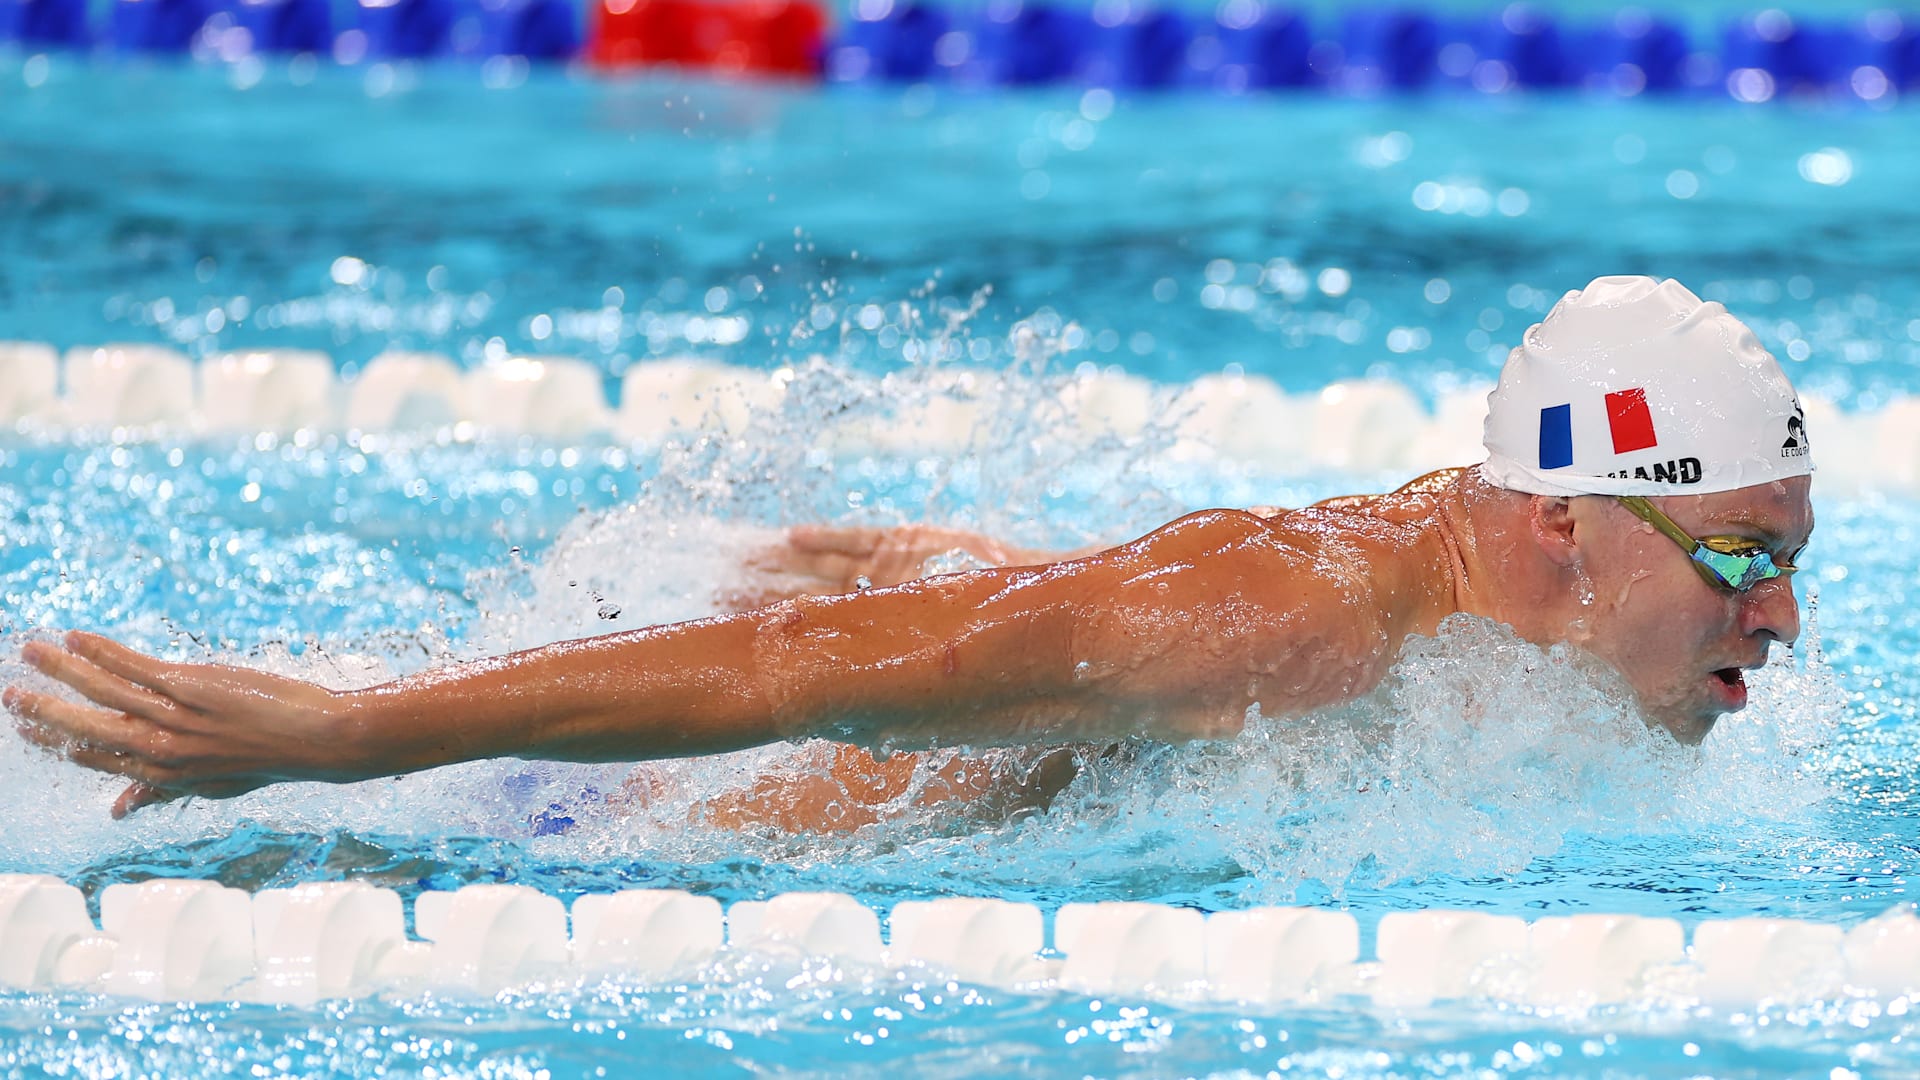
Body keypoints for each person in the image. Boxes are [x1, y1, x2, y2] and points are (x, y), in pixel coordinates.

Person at [3, 276, 1815, 823]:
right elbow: (783, 680)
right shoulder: (1282, 624)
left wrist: (1013, 589)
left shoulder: (1496, 578)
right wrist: (341, 737)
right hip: (619, 827)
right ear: (1567, 523)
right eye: (1745, 559)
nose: (1785, 617)